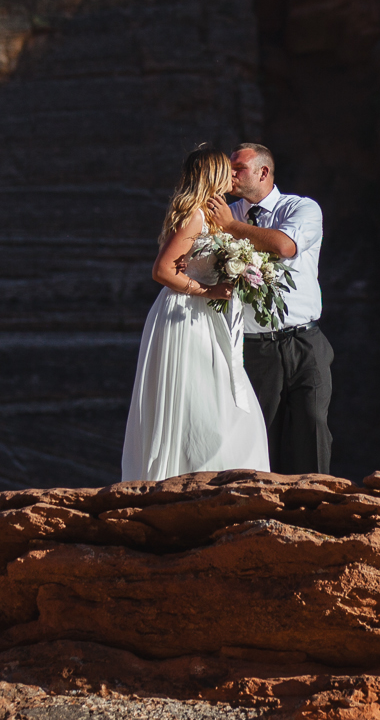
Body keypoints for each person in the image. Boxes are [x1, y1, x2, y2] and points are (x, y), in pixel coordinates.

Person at [118, 149, 272, 481]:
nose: (233, 177)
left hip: (205, 314)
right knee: (201, 395)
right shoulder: (196, 216)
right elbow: (162, 270)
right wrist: (209, 291)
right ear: (213, 175)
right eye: (226, 172)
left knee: (218, 395)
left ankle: (215, 474)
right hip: (186, 315)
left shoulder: (215, 216)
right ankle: (194, 476)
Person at [202, 143, 330, 475]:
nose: (230, 174)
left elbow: (285, 246)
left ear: (263, 172)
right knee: (260, 434)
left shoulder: (300, 208)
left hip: (305, 342)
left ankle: (316, 507)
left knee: (312, 426)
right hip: (254, 346)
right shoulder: (226, 213)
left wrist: (231, 227)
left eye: (238, 168)